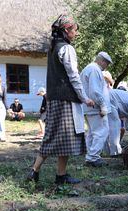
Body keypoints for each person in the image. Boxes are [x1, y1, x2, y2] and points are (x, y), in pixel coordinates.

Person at [27, 15, 94, 184]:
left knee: (55, 136)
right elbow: (74, 76)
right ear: (66, 30)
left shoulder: (53, 48)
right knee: (63, 136)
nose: (76, 33)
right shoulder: (66, 49)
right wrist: (85, 98)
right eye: (75, 30)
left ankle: (42, 172)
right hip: (65, 100)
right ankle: (55, 175)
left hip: (55, 99)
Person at [81, 51, 112, 167]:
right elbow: (94, 91)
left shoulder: (90, 68)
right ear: (102, 61)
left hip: (90, 107)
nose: (106, 66)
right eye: (107, 63)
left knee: (92, 133)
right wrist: (103, 105)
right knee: (101, 131)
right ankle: (93, 158)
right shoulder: (94, 69)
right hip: (95, 108)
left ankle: (90, 156)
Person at [0, 74, 8, 142]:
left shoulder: (3, 87)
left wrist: (7, 108)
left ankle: (2, 136)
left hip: (0, 105)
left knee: (1, 121)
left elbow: (5, 99)